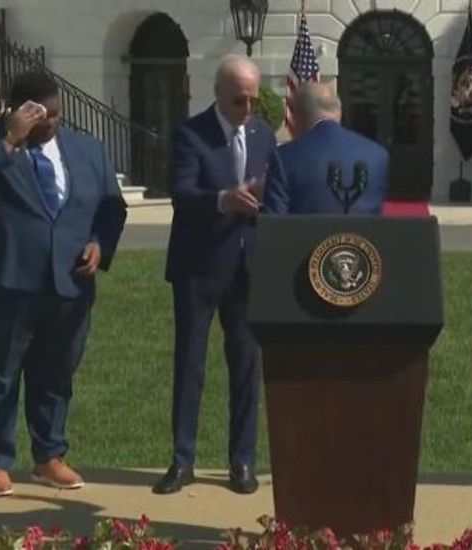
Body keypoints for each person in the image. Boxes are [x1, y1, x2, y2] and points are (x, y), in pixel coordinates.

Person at [0, 70, 127, 497]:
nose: (55, 123)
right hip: (1, 285)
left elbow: (110, 208)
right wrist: (8, 141)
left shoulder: (87, 151)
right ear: (20, 111)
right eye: (45, 116)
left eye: (58, 115)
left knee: (56, 374)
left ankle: (49, 457)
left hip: (69, 288)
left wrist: (99, 243)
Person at [153, 55, 281, 495]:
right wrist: (224, 198)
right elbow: (182, 192)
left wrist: (268, 198)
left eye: (252, 99)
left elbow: (275, 189)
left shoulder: (264, 135)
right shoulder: (192, 134)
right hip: (199, 266)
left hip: (248, 266)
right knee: (190, 363)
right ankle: (182, 459)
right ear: (218, 93)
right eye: (238, 100)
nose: (247, 108)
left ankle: (242, 461)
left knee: (246, 365)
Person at [265, 81, 388, 215]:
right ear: (339, 112)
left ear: (294, 116)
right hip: (360, 236)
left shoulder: (283, 158)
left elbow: (275, 225)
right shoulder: (377, 155)